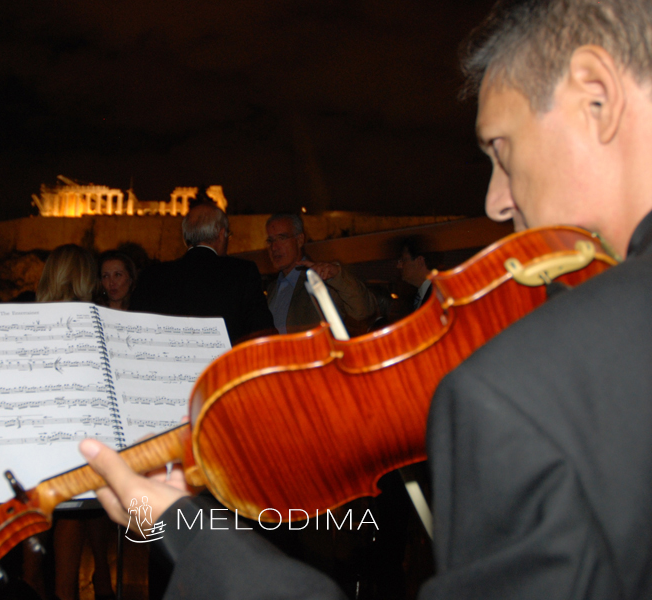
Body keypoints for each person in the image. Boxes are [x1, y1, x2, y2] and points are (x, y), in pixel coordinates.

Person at [80, 0, 652, 597]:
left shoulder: (511, 391)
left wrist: (190, 532)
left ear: (598, 94)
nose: (496, 202)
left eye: (502, 149)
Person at [30, 245, 115, 600]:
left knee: (38, 517)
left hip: (36, 434)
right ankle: (70, 590)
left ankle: (32, 584)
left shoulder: (29, 320)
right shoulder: (95, 320)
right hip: (78, 436)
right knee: (73, 514)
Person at [130, 203, 275, 345]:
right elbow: (262, 332)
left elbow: (135, 331)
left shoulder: (152, 276)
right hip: (225, 367)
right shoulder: (243, 273)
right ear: (221, 234)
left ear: (184, 239)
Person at [265, 213, 376, 336]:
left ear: (300, 240)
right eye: (270, 240)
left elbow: (365, 310)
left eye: (282, 238)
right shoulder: (272, 289)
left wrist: (338, 276)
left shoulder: (323, 280)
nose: (274, 247)